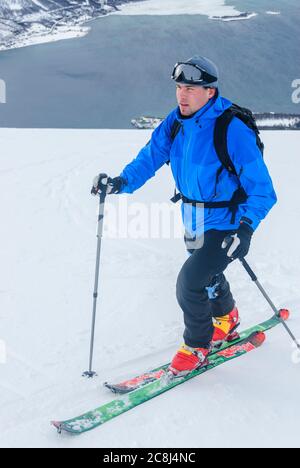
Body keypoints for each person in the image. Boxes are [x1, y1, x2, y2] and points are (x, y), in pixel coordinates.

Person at [92, 55, 277, 377]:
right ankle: (227, 319)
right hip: (192, 216)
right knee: (207, 277)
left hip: (227, 221)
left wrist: (246, 229)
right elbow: (150, 157)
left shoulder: (231, 128)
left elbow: (262, 188)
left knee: (189, 282)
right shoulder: (176, 121)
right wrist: (121, 182)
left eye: (191, 88)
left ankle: (196, 346)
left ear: (210, 91)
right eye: (179, 87)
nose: (183, 94)